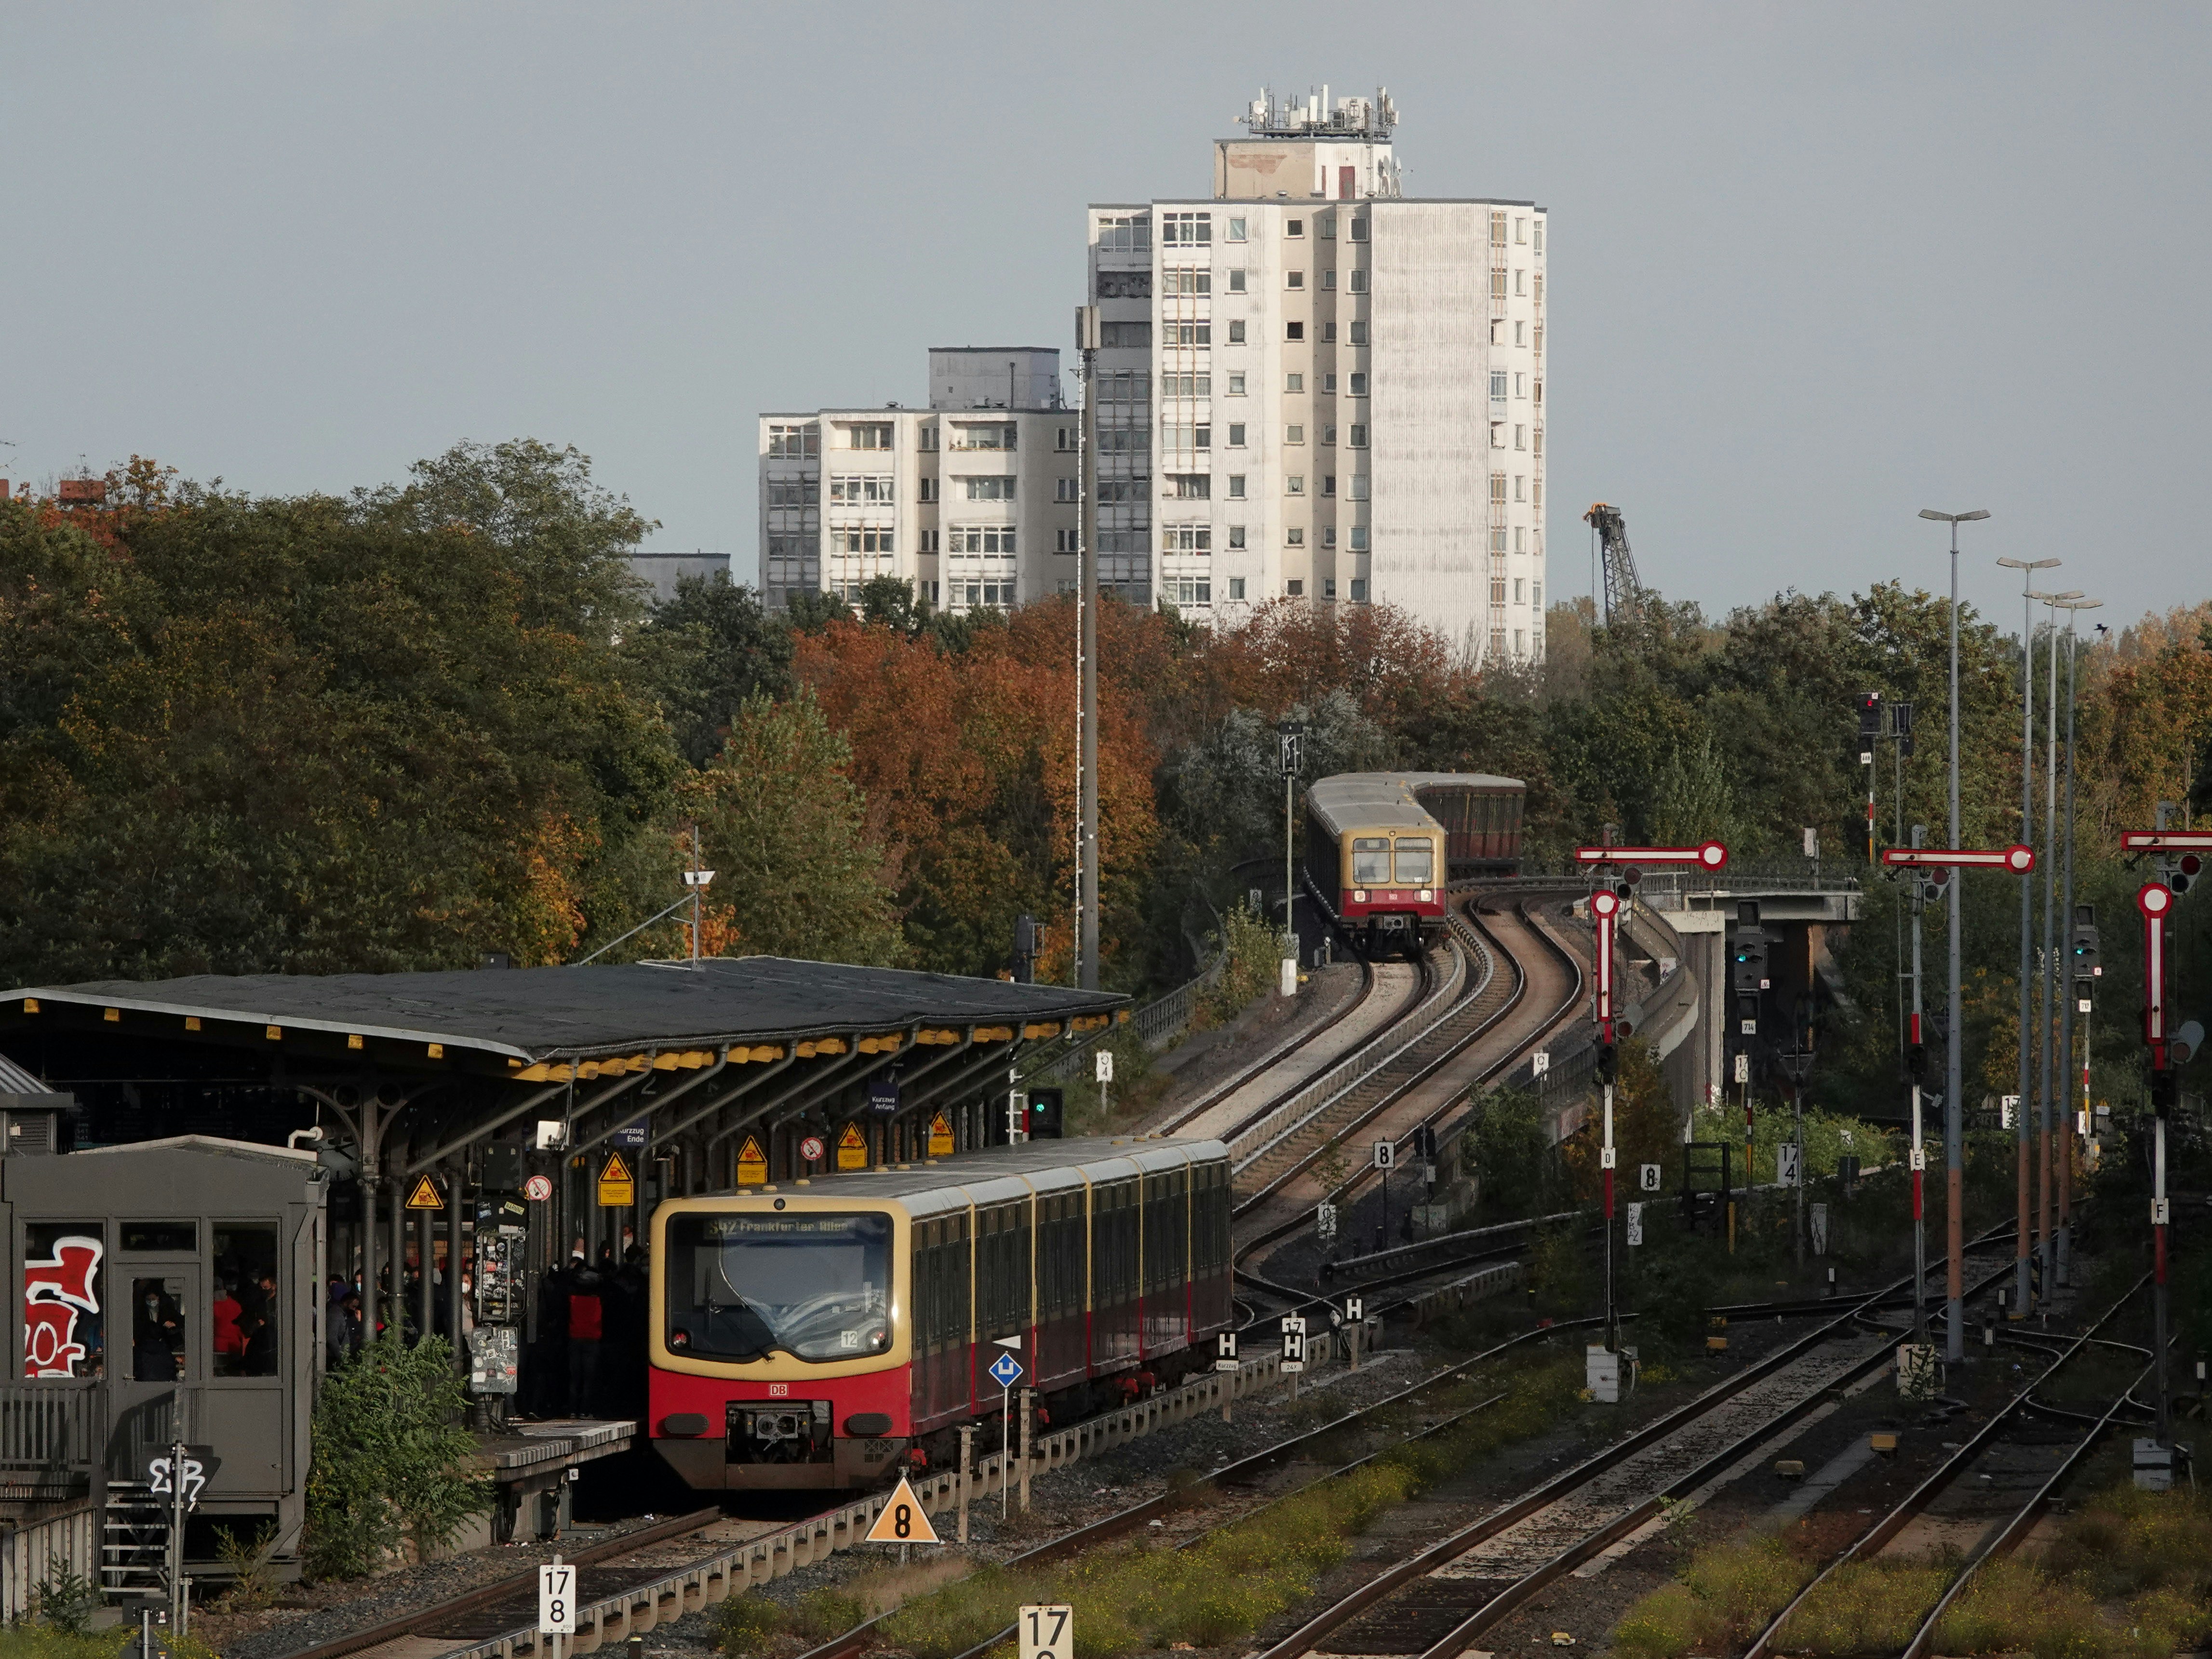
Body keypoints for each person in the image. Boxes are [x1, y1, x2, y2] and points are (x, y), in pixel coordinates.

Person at [566, 1251, 605, 1418]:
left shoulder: (573, 1299)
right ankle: (585, 1410)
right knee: (589, 1379)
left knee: (574, 1378)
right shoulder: (599, 1300)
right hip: (593, 1340)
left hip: (575, 1338)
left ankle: (572, 1409)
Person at [212, 1282, 245, 1369]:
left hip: (217, 1345)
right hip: (235, 1345)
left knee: (218, 1371)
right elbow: (241, 1327)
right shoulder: (235, 1305)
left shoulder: (211, 1307)